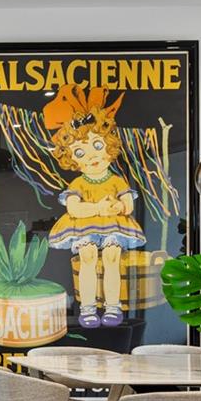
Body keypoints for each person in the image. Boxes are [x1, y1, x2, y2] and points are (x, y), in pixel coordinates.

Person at [43, 85, 146, 328]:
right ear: (72, 158)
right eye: (80, 152)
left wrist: (118, 206)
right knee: (87, 257)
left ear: (109, 146)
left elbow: (128, 205)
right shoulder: (78, 183)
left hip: (113, 227)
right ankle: (88, 308)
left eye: (97, 146)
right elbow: (74, 209)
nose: (91, 156)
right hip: (85, 228)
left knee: (112, 258)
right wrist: (99, 208)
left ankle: (112, 306)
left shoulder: (116, 181)